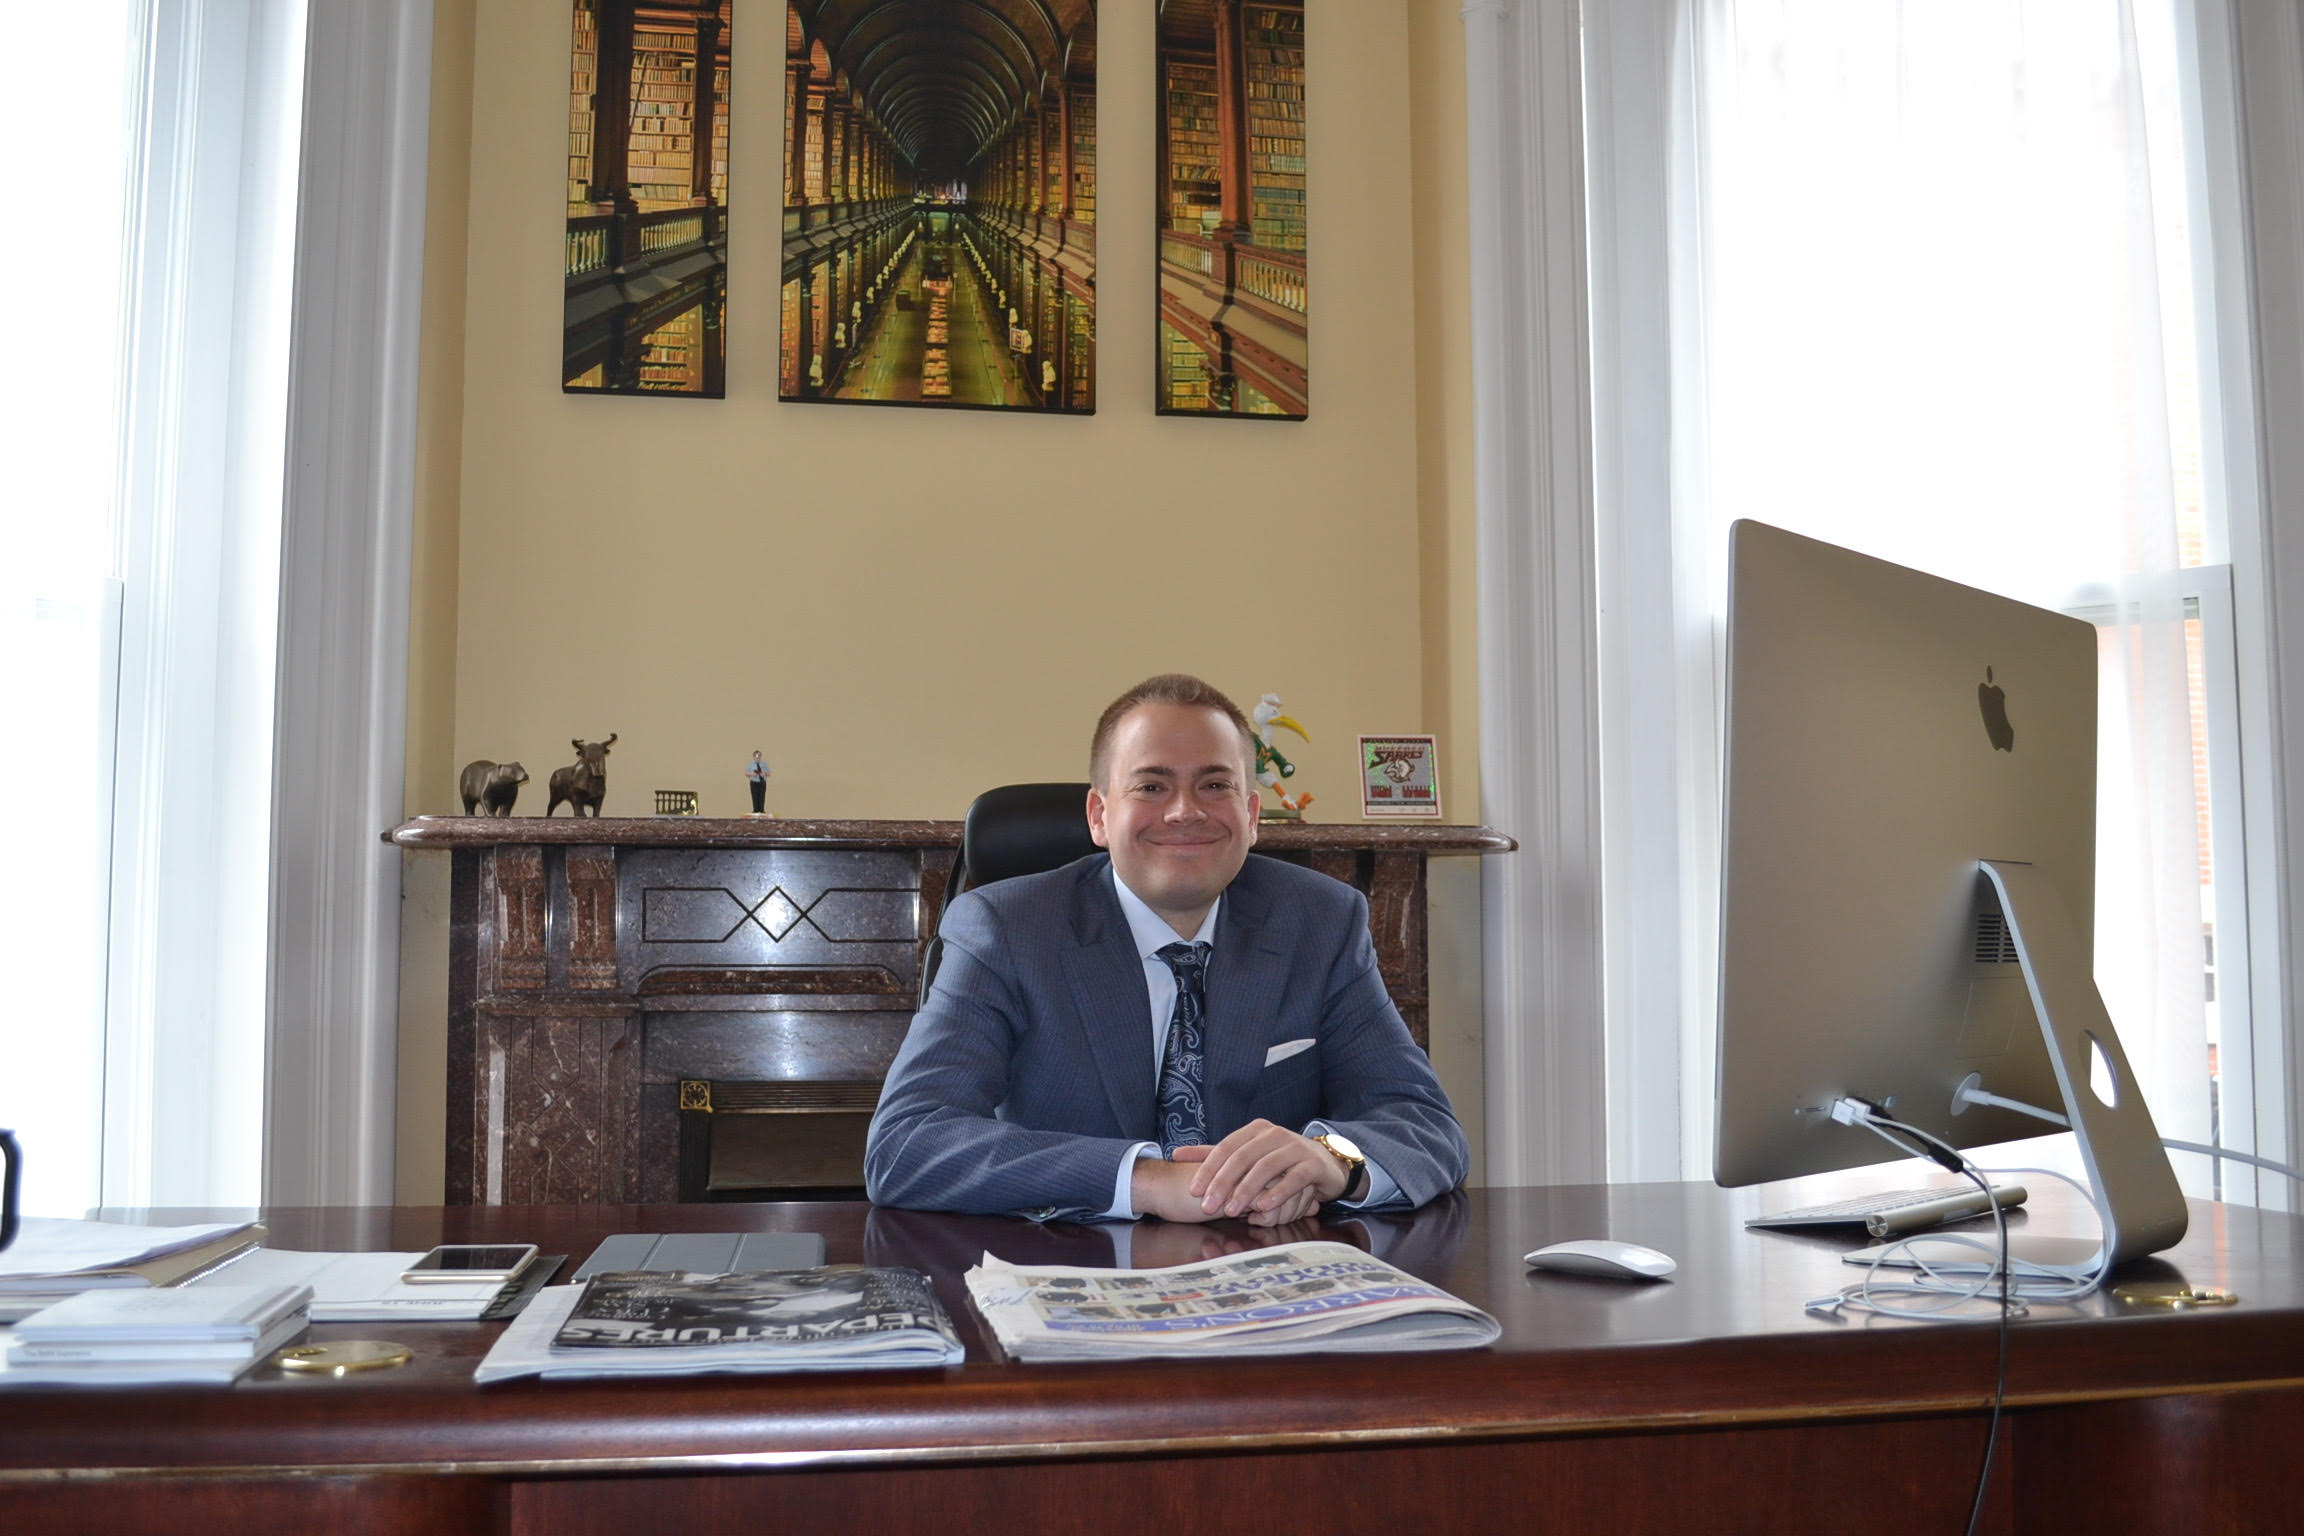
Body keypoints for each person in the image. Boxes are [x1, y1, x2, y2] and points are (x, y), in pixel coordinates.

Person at [865, 674, 1469, 1226]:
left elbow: (1425, 1126)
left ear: (1252, 815)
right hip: (1071, 1276)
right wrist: (1147, 1181)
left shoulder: (1321, 921)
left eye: (1215, 784)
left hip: (1262, 1279)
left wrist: (1332, 1160)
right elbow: (906, 1144)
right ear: (1100, 816)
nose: (1185, 811)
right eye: (1152, 786)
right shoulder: (1006, 928)